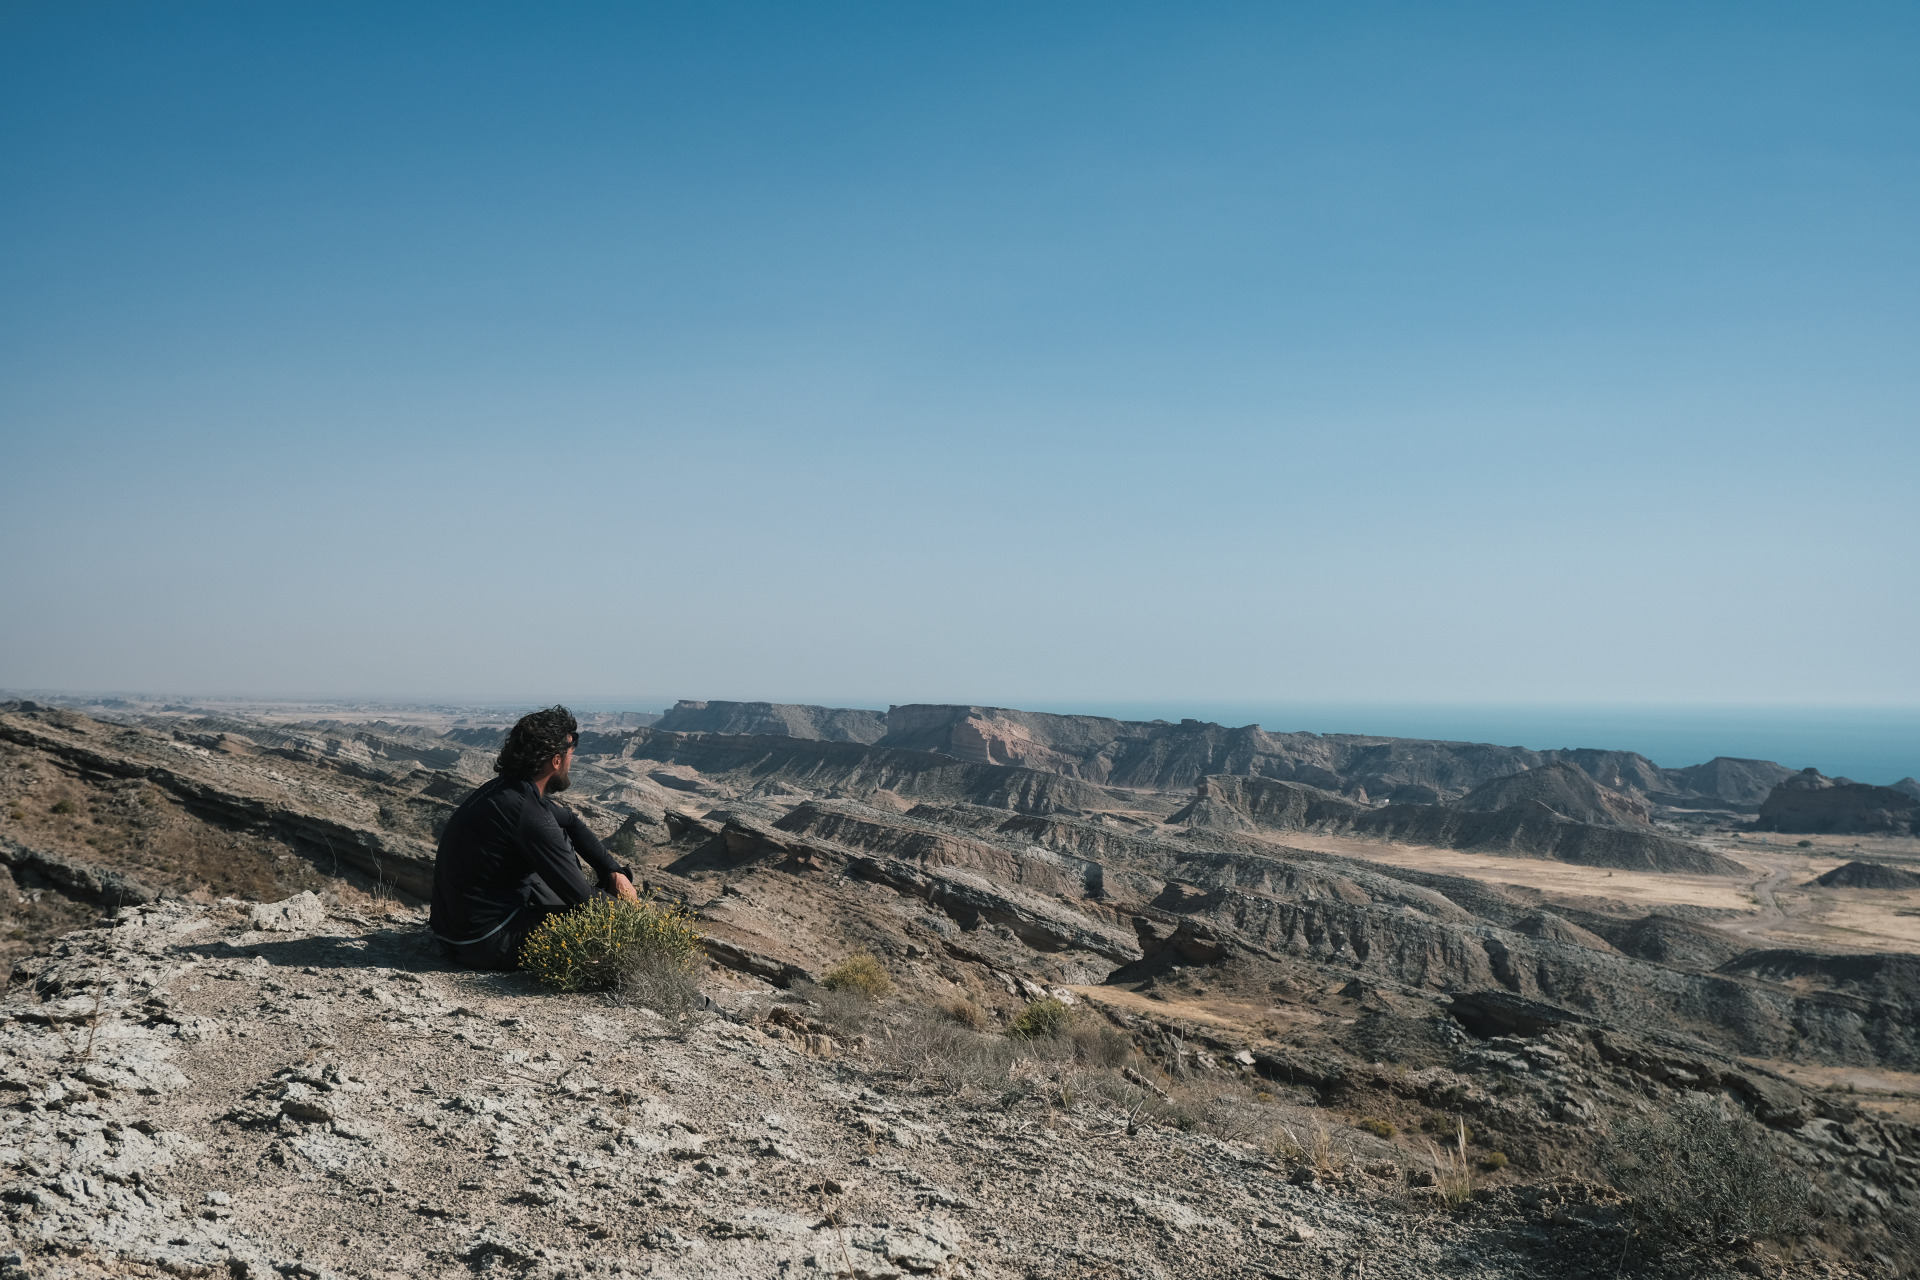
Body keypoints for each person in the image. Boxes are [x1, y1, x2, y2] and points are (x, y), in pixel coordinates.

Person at [430, 705, 638, 970]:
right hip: (485, 941)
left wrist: (612, 871)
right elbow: (583, 899)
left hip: (455, 933)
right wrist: (633, 915)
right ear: (556, 760)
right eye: (570, 755)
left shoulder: (506, 791)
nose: (571, 763)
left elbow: (571, 821)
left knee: (557, 839)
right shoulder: (525, 812)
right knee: (605, 926)